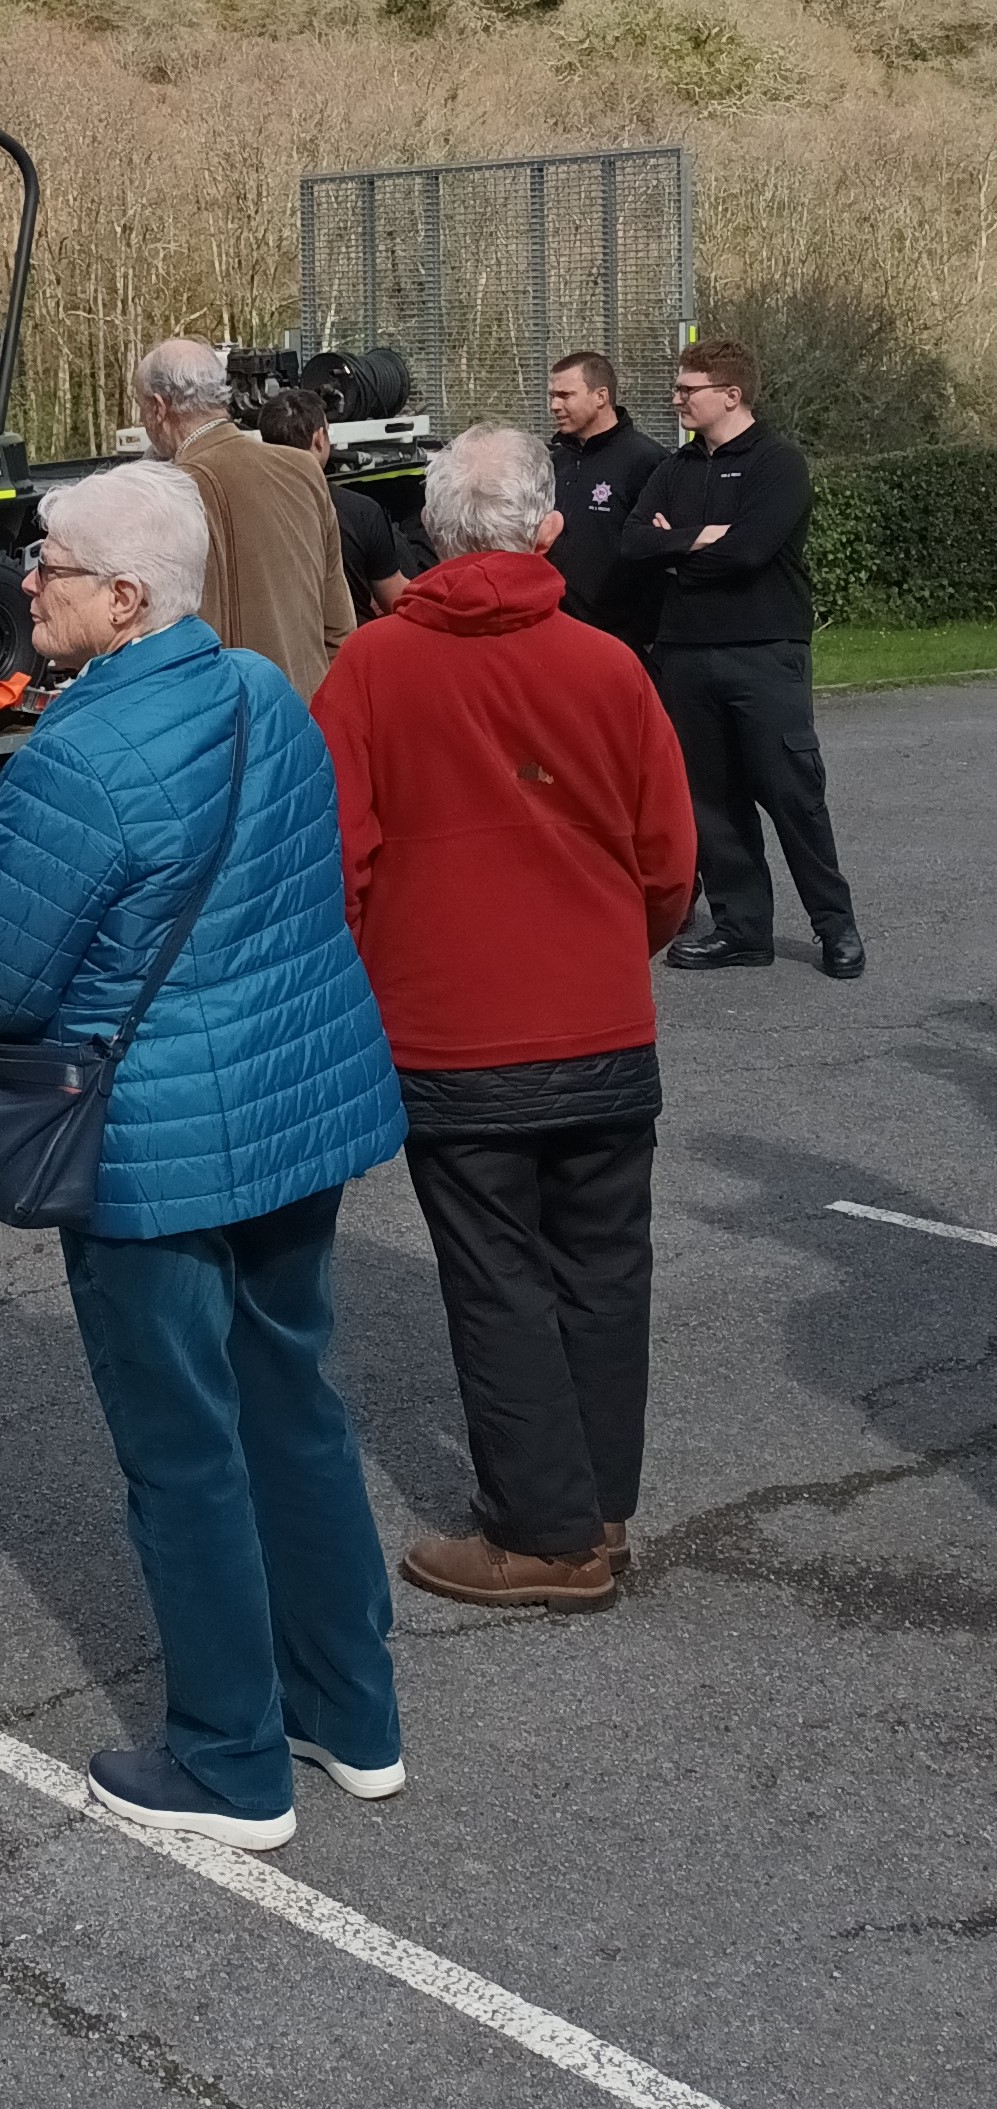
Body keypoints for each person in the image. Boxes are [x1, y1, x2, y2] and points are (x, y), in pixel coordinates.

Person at [0, 462, 408, 1852]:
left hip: (153, 1141)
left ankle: (229, 1762)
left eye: (52, 563)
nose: (29, 580)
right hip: (294, 1108)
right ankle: (351, 1713)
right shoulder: (265, 693)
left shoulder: (78, 754)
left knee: (183, 1450)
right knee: (291, 1403)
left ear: (127, 598)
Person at [311, 425, 697, 1609]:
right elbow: (670, 860)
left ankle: (544, 1532)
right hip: (599, 1017)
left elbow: (337, 859)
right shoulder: (608, 666)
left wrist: (365, 980)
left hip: (452, 1028)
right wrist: (608, 949)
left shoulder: (373, 667)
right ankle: (598, 1509)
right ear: (549, 527)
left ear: (433, 533)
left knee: (497, 1279)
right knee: (604, 1270)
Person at [620, 338, 864, 979]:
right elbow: (633, 543)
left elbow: (752, 551)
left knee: (793, 793)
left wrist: (676, 555)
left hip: (764, 650)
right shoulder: (674, 468)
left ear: (731, 395)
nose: (676, 398)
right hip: (685, 653)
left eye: (687, 389)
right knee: (711, 799)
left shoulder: (777, 464)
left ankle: (835, 926)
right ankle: (742, 929)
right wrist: (699, 539)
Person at [134, 338, 356, 697]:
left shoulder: (172, 491)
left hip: (229, 719)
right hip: (308, 712)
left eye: (142, 407)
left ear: (159, 408)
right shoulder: (303, 469)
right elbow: (339, 625)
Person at [545, 351, 669, 657]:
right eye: (552, 396)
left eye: (565, 395)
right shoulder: (555, 462)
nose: (554, 406)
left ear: (601, 396)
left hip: (620, 639)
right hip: (556, 629)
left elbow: (660, 551)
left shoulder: (646, 461)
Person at [256, 385, 408, 622]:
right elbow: (395, 599)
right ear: (319, 438)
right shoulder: (362, 512)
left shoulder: (249, 510)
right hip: (349, 640)